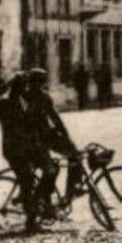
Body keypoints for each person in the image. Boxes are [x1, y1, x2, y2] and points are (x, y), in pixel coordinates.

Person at [26, 68, 80, 210]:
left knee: (75, 156)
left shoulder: (44, 96)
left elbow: (55, 117)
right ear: (32, 82)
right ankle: (39, 201)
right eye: (38, 82)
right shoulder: (25, 98)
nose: (40, 86)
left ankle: (70, 193)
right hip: (32, 140)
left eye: (42, 82)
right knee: (52, 168)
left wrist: (67, 139)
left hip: (47, 135)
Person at [0, 74, 42, 233]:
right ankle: (30, 220)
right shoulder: (5, 101)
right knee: (27, 180)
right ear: (16, 86)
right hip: (14, 149)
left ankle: (28, 201)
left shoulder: (20, 99)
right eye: (23, 85)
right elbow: (11, 127)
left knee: (39, 172)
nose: (26, 88)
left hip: (24, 147)